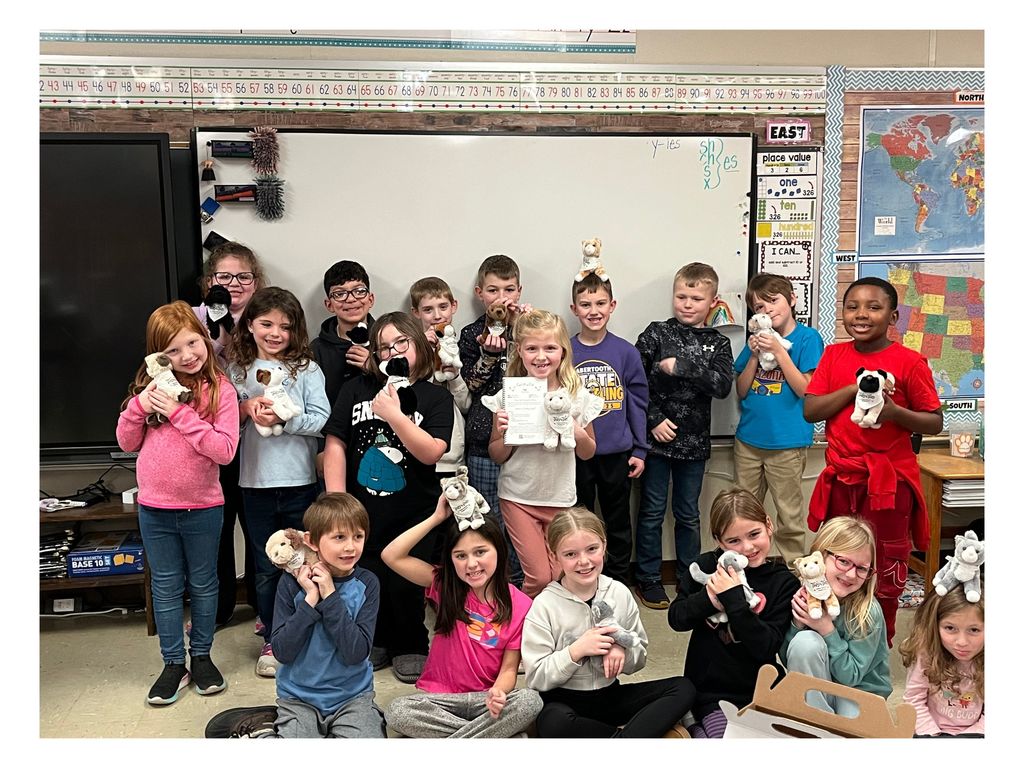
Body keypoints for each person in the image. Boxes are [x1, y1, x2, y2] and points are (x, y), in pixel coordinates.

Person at [804, 276, 943, 644]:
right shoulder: (833, 356)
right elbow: (811, 410)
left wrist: (894, 412)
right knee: (836, 561)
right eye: (852, 307)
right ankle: (832, 637)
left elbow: (934, 422)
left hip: (889, 483)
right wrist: (855, 387)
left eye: (874, 307)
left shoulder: (910, 362)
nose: (861, 314)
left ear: (893, 316)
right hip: (842, 478)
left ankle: (878, 642)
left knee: (884, 563)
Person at [116, 301, 239, 705]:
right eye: (172, 350)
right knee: (166, 586)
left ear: (204, 339)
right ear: (157, 355)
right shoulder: (149, 390)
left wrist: (180, 413)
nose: (187, 355)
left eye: (192, 343)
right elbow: (126, 442)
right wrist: (139, 406)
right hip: (155, 509)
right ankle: (173, 664)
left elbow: (224, 451)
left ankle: (201, 656)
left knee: (203, 584)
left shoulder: (221, 390)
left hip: (203, 508)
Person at [323, 312, 454, 683]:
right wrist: (337, 502)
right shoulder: (356, 389)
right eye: (383, 347)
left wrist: (395, 415)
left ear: (419, 345)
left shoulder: (435, 396)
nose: (393, 351)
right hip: (363, 510)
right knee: (367, 576)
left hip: (416, 512)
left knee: (405, 583)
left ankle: (411, 641)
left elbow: (431, 452)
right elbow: (335, 444)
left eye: (401, 343)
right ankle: (376, 637)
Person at [228, 287, 331, 677]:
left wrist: (286, 420)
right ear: (249, 325)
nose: (275, 333)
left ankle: (306, 630)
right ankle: (274, 635)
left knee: (305, 559)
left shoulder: (307, 369)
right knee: (266, 565)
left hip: (300, 483)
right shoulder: (236, 370)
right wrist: (244, 408)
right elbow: (221, 421)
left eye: (285, 327)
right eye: (266, 324)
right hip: (254, 484)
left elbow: (322, 419)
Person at [522, 507, 695, 738]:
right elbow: (536, 677)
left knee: (683, 688)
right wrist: (575, 651)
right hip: (564, 702)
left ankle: (617, 741)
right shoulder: (544, 605)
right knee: (552, 721)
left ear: (604, 546)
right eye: (570, 554)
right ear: (554, 557)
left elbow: (640, 658)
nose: (584, 561)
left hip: (610, 696)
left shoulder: (619, 592)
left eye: (592, 549)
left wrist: (622, 649)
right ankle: (630, 738)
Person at [381, 497, 543, 737]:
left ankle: (455, 738)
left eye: (480, 552)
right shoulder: (444, 585)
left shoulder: (521, 604)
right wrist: (436, 518)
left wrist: (499, 692)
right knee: (397, 711)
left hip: (485, 701)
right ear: (451, 559)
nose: (472, 564)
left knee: (530, 701)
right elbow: (391, 555)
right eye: (461, 556)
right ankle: (488, 737)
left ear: (499, 550)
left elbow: (509, 669)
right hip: (441, 700)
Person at [633, 263, 734, 609]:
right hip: (655, 443)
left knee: (688, 515)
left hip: (694, 445)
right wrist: (653, 420)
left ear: (712, 302)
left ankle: (689, 580)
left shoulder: (718, 343)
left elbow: (722, 386)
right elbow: (633, 383)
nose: (687, 304)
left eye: (696, 298)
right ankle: (648, 578)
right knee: (651, 512)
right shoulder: (656, 333)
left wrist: (683, 367)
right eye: (681, 297)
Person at [488, 309, 602, 597]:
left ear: (563, 351)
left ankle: (554, 621)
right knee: (539, 577)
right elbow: (497, 455)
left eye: (550, 348)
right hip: (518, 497)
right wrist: (506, 433)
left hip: (561, 498)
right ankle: (526, 622)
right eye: (532, 349)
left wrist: (576, 431)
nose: (541, 356)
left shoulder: (576, 395)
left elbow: (588, 453)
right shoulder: (508, 396)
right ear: (519, 351)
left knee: (561, 575)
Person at [668, 488, 799, 738]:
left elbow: (766, 645)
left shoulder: (783, 582)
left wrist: (733, 599)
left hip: (761, 691)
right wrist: (709, 599)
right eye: (733, 541)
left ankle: (693, 728)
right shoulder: (705, 567)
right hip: (710, 692)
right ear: (719, 541)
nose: (747, 547)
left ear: (768, 525)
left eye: (754, 534)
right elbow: (676, 618)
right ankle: (694, 726)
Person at [267, 492, 385, 738]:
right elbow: (282, 652)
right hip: (298, 699)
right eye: (339, 537)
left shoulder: (368, 583)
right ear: (311, 541)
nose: (350, 547)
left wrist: (330, 596)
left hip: (352, 698)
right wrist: (310, 600)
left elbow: (356, 653)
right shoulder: (290, 584)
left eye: (358, 536)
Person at [193, 241, 267, 629]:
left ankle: (262, 605)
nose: (235, 284)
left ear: (256, 282)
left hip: (258, 442)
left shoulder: (267, 321)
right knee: (217, 529)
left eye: (244, 276)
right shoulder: (192, 319)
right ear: (210, 281)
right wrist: (216, 326)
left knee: (258, 528)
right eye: (225, 276)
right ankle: (218, 607)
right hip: (211, 443)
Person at [733, 273, 823, 568]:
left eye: (773, 300)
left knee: (789, 517)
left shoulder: (808, 338)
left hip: (787, 443)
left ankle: (796, 574)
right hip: (748, 441)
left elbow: (806, 389)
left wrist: (777, 351)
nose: (767, 309)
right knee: (742, 514)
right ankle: (744, 571)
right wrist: (755, 356)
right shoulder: (755, 340)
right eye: (759, 306)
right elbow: (741, 390)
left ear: (792, 299)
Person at [570, 272, 649, 584]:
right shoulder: (564, 351)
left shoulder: (626, 352)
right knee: (578, 520)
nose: (594, 311)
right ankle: (582, 578)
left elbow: (638, 404)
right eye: (585, 304)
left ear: (612, 305)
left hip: (617, 454)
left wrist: (640, 449)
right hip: (576, 454)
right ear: (574, 309)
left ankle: (617, 581)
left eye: (600, 303)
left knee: (617, 521)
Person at [458, 254, 530, 585]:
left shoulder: (530, 327)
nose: (501, 298)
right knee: (489, 519)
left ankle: (522, 584)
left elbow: (542, 372)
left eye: (509, 289)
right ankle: (493, 583)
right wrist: (488, 355)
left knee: (523, 518)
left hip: (527, 440)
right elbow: (469, 387)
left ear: (519, 292)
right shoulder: (471, 333)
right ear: (479, 293)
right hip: (483, 441)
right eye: (493, 290)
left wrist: (523, 330)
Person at [781, 516, 891, 716]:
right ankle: (815, 721)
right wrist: (797, 623)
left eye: (861, 568)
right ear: (820, 555)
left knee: (850, 725)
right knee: (805, 642)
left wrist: (827, 630)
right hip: (819, 689)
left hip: (861, 692)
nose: (850, 574)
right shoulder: (805, 596)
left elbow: (851, 677)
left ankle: (827, 725)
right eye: (843, 561)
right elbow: (790, 660)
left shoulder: (867, 612)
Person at [899, 585, 984, 737]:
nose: (962, 642)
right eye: (950, 628)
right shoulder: (927, 652)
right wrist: (931, 735)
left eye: (974, 630)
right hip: (929, 731)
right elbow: (914, 700)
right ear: (935, 625)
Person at [409, 276, 472, 477]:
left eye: (443, 307)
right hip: (416, 453)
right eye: (428, 310)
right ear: (416, 313)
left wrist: (455, 377)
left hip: (453, 457)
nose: (437, 316)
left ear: (454, 306)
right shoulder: (408, 353)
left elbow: (466, 405)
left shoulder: (463, 348)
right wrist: (423, 353)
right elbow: (410, 399)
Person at [311, 259, 376, 408]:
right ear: (329, 304)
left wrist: (375, 368)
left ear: (370, 299)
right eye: (340, 294)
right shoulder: (316, 350)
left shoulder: (388, 339)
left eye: (359, 291)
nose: (351, 299)